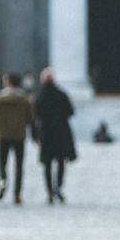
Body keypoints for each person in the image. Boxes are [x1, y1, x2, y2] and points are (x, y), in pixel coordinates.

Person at [0, 72, 35, 204]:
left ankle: (3, 180)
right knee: (19, 166)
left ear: (8, 82)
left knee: (3, 163)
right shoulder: (25, 99)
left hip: (3, 135)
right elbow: (31, 118)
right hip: (19, 135)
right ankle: (17, 193)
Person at [33, 69, 76, 204]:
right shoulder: (61, 94)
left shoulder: (39, 96)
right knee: (61, 162)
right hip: (61, 132)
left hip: (46, 133)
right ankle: (58, 187)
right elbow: (71, 111)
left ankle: (49, 192)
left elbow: (34, 116)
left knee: (47, 164)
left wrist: (34, 135)